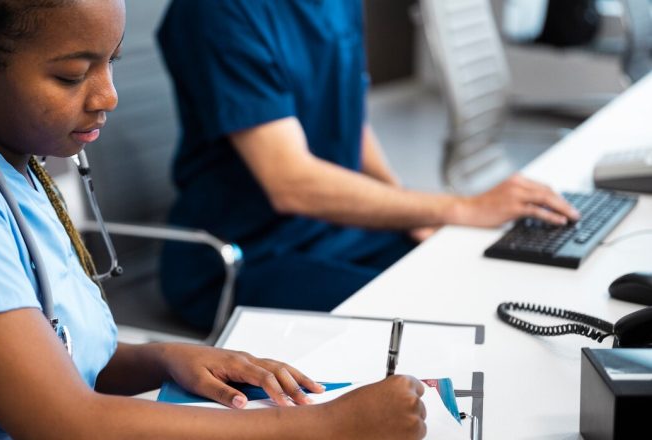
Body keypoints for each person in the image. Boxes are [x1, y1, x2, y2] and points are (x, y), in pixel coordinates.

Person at [0, 1, 428, 438]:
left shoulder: (9, 159)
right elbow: (62, 419)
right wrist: (320, 429)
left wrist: (163, 358)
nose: (108, 95)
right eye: (71, 74)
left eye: (110, 63)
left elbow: (59, 352)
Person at [157, 0, 580, 330]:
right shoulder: (217, 12)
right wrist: (459, 207)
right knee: (432, 317)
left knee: (473, 267)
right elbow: (292, 183)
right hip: (241, 259)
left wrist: (405, 209)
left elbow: (348, 118)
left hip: (337, 228)